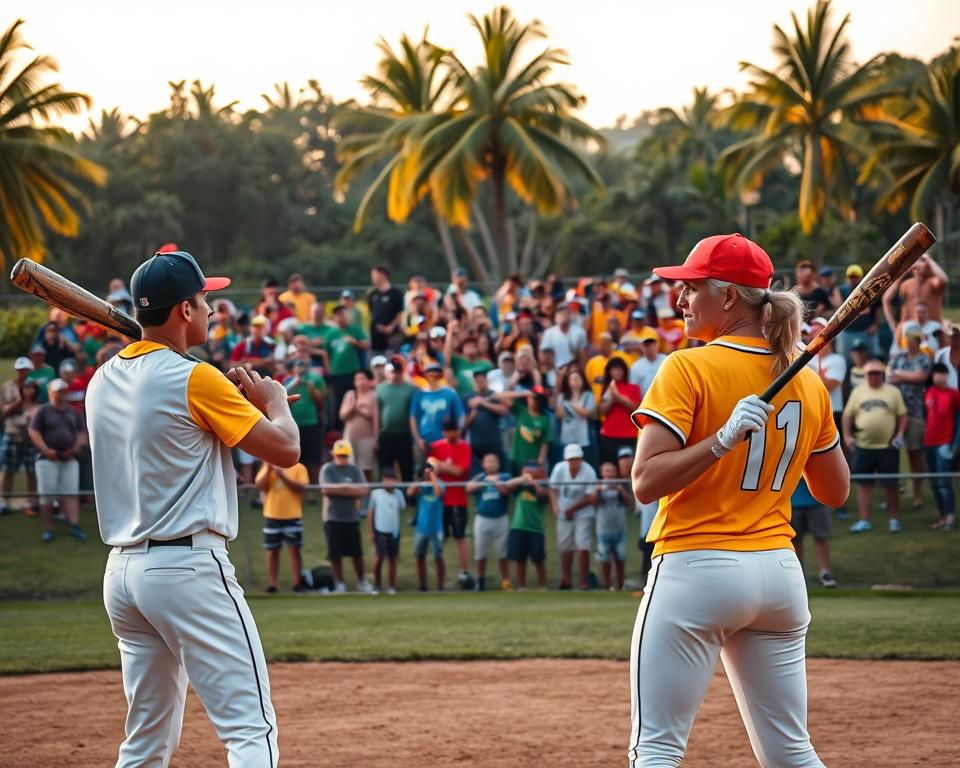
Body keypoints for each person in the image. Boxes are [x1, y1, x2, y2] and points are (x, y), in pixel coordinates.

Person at [628, 233, 849, 767]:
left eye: (691, 288)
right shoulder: (806, 379)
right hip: (778, 575)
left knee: (656, 749)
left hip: (697, 569)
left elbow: (646, 482)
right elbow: (834, 491)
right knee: (793, 754)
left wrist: (722, 441)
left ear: (728, 297)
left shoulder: (688, 367)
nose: (679, 299)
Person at [87, 249, 300, 766]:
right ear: (183, 310)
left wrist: (220, 402)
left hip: (123, 575)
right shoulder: (194, 377)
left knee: (145, 740)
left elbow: (175, 426)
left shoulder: (101, 380)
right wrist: (275, 402)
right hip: (188, 569)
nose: (210, 309)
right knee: (251, 728)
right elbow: (287, 451)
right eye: (205, 300)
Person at [843, 359, 908, 533]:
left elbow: (903, 415)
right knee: (863, 485)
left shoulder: (893, 392)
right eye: (870, 373)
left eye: (877, 373)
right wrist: (848, 436)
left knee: (890, 484)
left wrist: (900, 434)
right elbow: (847, 415)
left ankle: (894, 519)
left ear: (883, 374)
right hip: (863, 446)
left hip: (887, 447)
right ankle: (865, 520)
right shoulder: (857, 392)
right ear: (865, 375)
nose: (873, 376)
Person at [29, 378, 87, 543]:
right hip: (47, 458)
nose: (61, 394)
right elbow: (34, 432)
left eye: (63, 390)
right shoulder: (43, 411)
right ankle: (48, 528)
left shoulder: (73, 412)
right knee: (47, 494)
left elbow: (82, 433)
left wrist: (75, 449)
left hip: (69, 458)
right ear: (50, 393)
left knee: (71, 492)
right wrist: (46, 450)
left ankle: (74, 525)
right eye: (57, 391)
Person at [887, 323, 932, 509]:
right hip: (895, 414)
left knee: (915, 454)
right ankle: (892, 495)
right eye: (908, 339)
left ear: (918, 340)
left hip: (915, 413)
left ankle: (917, 493)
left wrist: (900, 375)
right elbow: (889, 378)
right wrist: (907, 376)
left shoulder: (924, 359)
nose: (910, 342)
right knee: (890, 456)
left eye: (913, 339)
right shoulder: (898, 357)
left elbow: (920, 377)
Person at [320, 440, 373, 593]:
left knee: (356, 553)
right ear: (333, 455)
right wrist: (350, 489)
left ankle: (362, 582)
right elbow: (326, 490)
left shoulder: (354, 470)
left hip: (351, 518)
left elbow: (363, 490)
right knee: (335, 554)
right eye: (339, 456)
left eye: (344, 456)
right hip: (333, 518)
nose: (341, 458)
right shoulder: (327, 469)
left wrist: (340, 490)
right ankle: (340, 584)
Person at [428, 418, 473, 589]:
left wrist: (439, 464)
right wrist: (439, 467)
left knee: (460, 536)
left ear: (458, 431)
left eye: (453, 431)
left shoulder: (464, 447)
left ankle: (464, 571)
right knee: (439, 538)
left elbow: (459, 470)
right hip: (439, 501)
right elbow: (429, 469)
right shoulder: (436, 446)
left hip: (457, 500)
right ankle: (440, 576)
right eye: (447, 431)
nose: (450, 434)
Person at [549, 444, 598, 590]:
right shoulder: (559, 469)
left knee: (582, 546)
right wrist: (555, 507)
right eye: (571, 459)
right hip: (564, 512)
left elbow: (590, 496)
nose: (574, 462)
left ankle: (583, 580)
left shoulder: (588, 470)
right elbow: (552, 489)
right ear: (566, 460)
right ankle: (566, 579)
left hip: (584, 513)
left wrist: (573, 508)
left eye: (577, 459)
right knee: (565, 546)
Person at [255, 460, 309, 593]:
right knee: (272, 551)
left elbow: (300, 487)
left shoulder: (299, 468)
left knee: (295, 550)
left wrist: (283, 475)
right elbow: (259, 486)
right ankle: (273, 584)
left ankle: (297, 583)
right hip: (272, 515)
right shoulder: (267, 466)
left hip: (292, 515)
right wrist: (268, 471)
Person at [466, 453, 512, 591]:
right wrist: (481, 483)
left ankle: (505, 582)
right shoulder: (479, 477)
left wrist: (496, 482)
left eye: (493, 462)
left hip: (501, 518)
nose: (490, 464)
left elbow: (506, 492)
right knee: (480, 553)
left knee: (503, 553)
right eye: (488, 462)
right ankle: (480, 581)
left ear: (498, 465)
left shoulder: (505, 477)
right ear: (483, 465)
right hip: (482, 518)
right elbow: (468, 488)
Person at [923, 362, 960, 531]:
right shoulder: (929, 391)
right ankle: (942, 516)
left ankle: (950, 517)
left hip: (944, 443)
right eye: (936, 373)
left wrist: (955, 443)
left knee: (944, 482)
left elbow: (959, 420)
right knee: (934, 483)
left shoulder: (954, 394)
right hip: (929, 442)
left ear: (947, 375)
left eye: (942, 373)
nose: (939, 376)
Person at [325, 305, 370, 430]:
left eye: (342, 314)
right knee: (338, 402)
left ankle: (355, 424)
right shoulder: (331, 333)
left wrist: (355, 342)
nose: (340, 317)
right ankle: (340, 429)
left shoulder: (355, 330)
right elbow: (326, 353)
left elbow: (367, 345)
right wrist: (328, 369)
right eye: (337, 315)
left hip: (353, 371)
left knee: (354, 397)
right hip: (336, 373)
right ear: (334, 318)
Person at [506, 461, 549, 590]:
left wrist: (534, 483)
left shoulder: (541, 486)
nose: (529, 472)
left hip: (535, 528)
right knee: (520, 559)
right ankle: (521, 586)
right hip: (518, 527)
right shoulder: (520, 487)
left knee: (538, 559)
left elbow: (544, 497)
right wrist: (522, 478)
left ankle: (543, 586)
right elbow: (508, 485)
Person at [1, 373, 40, 516]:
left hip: (30, 442)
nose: (28, 390)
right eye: (26, 387)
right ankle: (4, 502)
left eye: (31, 388)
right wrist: (19, 401)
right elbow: (4, 413)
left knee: (31, 472)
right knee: (8, 470)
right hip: (12, 437)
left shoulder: (38, 406)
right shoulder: (14, 402)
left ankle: (30, 502)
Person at [283, 357, 326, 485]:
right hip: (294, 424)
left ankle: (315, 485)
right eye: (297, 366)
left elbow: (320, 401)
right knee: (298, 457)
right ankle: (300, 485)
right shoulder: (288, 381)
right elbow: (282, 397)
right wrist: (295, 382)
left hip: (312, 423)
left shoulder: (315, 379)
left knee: (314, 457)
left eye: (302, 366)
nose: (300, 369)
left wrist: (311, 388)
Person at [790, 478, 837, 588]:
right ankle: (798, 574)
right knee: (795, 539)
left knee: (821, 537)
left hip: (818, 502)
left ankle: (825, 573)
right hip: (792, 502)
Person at [377, 357, 418, 482]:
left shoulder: (411, 389)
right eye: (392, 371)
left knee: (406, 467)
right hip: (386, 433)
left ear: (402, 372)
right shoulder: (380, 388)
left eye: (397, 371)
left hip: (404, 434)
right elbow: (377, 412)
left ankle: (408, 496)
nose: (395, 374)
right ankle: (385, 496)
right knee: (385, 467)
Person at [410, 362, 464, 454]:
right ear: (425, 375)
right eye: (430, 372)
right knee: (422, 467)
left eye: (436, 372)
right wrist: (418, 440)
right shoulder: (419, 394)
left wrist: (456, 436)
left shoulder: (450, 393)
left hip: (446, 441)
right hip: (424, 442)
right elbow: (413, 418)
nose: (433, 375)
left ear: (440, 375)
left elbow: (461, 416)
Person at [408, 463, 446, 591]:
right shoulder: (422, 485)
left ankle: (440, 587)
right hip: (421, 528)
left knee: (438, 557)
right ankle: (422, 586)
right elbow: (410, 492)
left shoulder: (440, 483)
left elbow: (439, 492)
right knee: (420, 556)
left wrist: (432, 476)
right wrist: (420, 479)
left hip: (436, 527)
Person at [463, 369, 509, 475]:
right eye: (477, 380)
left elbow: (504, 410)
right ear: (473, 381)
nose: (480, 382)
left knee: (501, 473)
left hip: (494, 442)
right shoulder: (467, 397)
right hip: (475, 444)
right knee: (477, 475)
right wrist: (472, 417)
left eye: (482, 379)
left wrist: (483, 403)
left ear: (487, 380)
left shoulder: (494, 395)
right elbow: (463, 424)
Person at [594, 461, 631, 591]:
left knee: (620, 558)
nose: (609, 474)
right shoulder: (598, 486)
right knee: (604, 558)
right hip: (603, 529)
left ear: (616, 473)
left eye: (611, 471)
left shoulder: (621, 486)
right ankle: (607, 586)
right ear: (602, 473)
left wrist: (621, 490)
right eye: (606, 471)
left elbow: (630, 504)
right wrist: (598, 491)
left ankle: (620, 585)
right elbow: (593, 502)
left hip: (619, 529)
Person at [598, 357, 641, 465]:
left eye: (619, 369)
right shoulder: (607, 388)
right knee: (610, 466)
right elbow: (602, 410)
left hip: (629, 435)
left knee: (628, 468)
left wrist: (618, 397)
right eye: (614, 369)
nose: (617, 372)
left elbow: (635, 408)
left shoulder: (633, 388)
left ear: (625, 371)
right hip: (608, 434)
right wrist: (611, 397)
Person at [368, 468, 405, 593]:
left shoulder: (399, 494)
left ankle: (391, 586)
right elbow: (370, 513)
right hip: (380, 530)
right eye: (386, 480)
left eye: (391, 480)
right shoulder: (376, 494)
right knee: (379, 558)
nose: (389, 483)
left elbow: (401, 509)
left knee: (393, 558)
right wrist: (371, 531)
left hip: (394, 531)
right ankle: (377, 585)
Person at [339, 369, 378, 481]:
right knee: (350, 466)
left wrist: (376, 439)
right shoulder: (350, 394)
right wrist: (353, 407)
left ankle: (366, 494)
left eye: (362, 379)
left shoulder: (373, 395)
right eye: (357, 379)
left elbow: (375, 418)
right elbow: (342, 415)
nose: (359, 382)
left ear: (369, 380)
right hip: (350, 437)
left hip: (367, 437)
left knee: (366, 468)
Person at [555, 368, 596, 467]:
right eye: (572, 379)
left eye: (577, 379)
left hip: (583, 437)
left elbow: (587, 413)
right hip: (567, 436)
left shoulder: (588, 396)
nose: (574, 382)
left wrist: (572, 404)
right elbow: (560, 414)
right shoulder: (562, 396)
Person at [507, 386, 552, 473]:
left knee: (528, 485)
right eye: (533, 398)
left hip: (532, 461)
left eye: (538, 399)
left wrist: (541, 459)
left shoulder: (544, 419)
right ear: (528, 398)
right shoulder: (521, 411)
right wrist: (522, 393)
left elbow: (545, 442)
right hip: (516, 457)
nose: (535, 401)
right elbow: (499, 396)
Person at [368, 265, 405, 353]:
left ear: (382, 275)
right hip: (376, 336)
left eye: (374, 275)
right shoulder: (372, 294)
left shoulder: (396, 293)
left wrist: (391, 326)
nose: (373, 278)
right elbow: (372, 312)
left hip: (392, 336)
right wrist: (377, 326)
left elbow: (400, 312)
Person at [540, 304, 588, 370]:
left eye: (565, 313)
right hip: (555, 371)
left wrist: (578, 371)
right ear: (555, 317)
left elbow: (583, 356)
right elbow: (543, 357)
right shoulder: (548, 333)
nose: (562, 315)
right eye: (559, 313)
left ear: (570, 315)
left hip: (573, 371)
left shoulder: (579, 332)